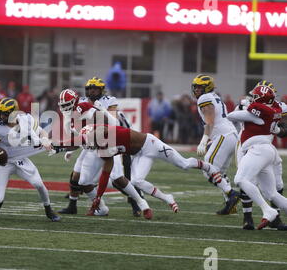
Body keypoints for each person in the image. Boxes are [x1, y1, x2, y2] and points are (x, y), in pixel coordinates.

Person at [78, 124, 225, 216]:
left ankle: (211, 169)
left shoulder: (104, 132)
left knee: (184, 164)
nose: (94, 148)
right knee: (136, 180)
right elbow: (105, 173)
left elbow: (103, 128)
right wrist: (98, 197)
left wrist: (94, 134)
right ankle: (168, 198)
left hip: (151, 144)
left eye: (92, 143)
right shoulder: (102, 148)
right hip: (140, 155)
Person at [55, 82, 152, 218]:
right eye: (63, 106)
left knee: (118, 177)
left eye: (67, 105)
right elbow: (78, 137)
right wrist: (69, 149)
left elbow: (113, 123)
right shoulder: (71, 114)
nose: (65, 109)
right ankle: (98, 208)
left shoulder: (91, 107)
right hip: (91, 147)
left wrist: (103, 117)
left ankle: (141, 203)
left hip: (108, 141)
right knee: (82, 180)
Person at [0, 97, 60, 222]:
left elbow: (42, 132)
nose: (1, 116)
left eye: (4, 114)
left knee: (39, 184)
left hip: (21, 160)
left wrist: (44, 140)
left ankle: (48, 209)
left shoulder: (25, 120)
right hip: (4, 162)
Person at [226, 84, 287, 230]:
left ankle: (268, 210)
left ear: (260, 99)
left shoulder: (258, 112)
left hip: (257, 149)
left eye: (254, 96)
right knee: (271, 193)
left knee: (240, 179)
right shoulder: (273, 109)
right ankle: (269, 210)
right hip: (266, 150)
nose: (252, 98)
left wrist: (245, 106)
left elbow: (230, 115)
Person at [192, 74, 240, 215]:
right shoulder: (214, 97)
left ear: (207, 88)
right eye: (195, 87)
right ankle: (230, 204)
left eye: (199, 87)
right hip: (230, 135)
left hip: (223, 135)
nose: (196, 90)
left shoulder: (205, 98)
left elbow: (210, 121)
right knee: (220, 172)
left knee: (208, 169)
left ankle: (231, 194)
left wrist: (203, 141)